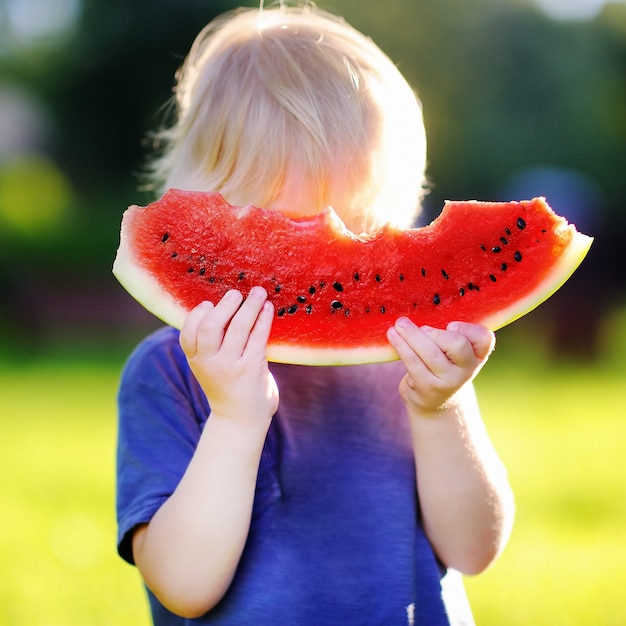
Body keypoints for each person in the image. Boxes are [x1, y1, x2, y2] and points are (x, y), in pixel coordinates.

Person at [116, 4, 515, 625]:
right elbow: (183, 585)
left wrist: (442, 412)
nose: (316, 262)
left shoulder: (416, 359)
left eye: (355, 226)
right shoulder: (167, 372)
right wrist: (235, 415)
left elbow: (473, 550)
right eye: (274, 231)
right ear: (201, 209)